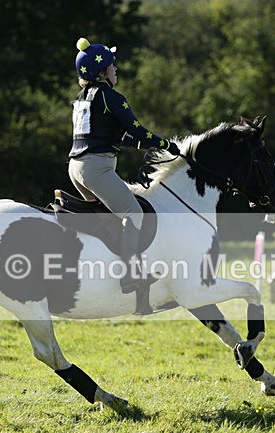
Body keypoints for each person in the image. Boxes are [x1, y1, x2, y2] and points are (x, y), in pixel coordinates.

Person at [68, 37, 179, 307]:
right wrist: (165, 144)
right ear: (102, 72)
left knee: (111, 216)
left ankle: (102, 262)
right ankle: (130, 274)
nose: (116, 69)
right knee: (133, 212)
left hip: (76, 168)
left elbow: (119, 138)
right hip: (97, 168)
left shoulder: (82, 100)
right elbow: (137, 130)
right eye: (112, 66)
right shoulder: (111, 97)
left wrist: (147, 146)